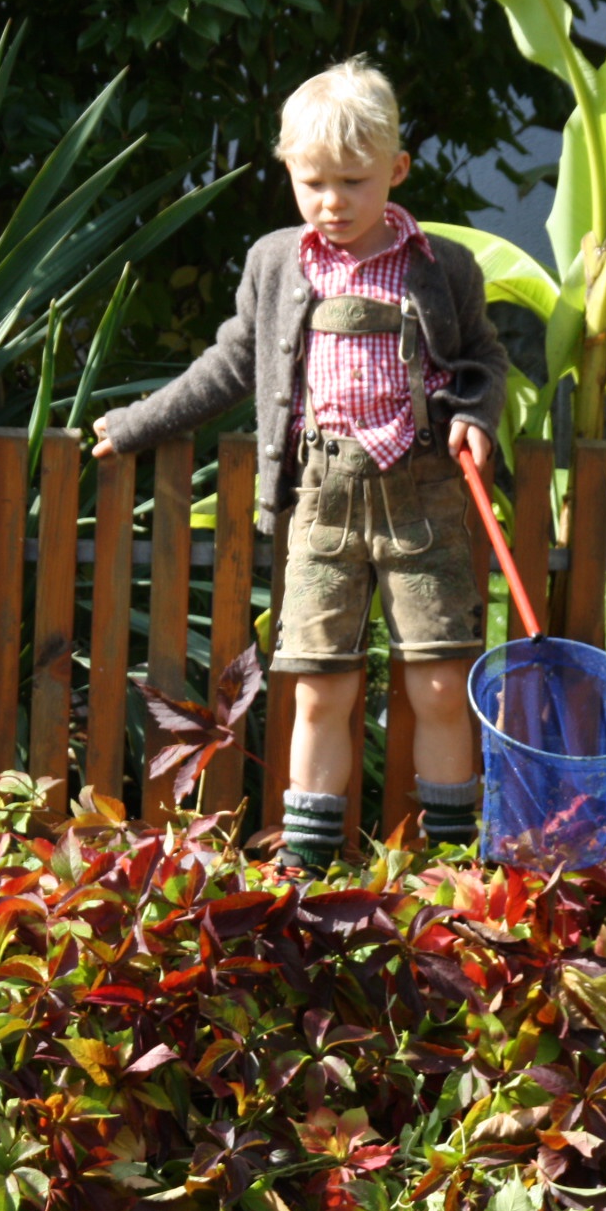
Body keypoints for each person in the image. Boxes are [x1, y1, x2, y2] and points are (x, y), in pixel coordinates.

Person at [93, 57, 508, 872]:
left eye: (354, 182)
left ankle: (453, 870)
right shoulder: (278, 262)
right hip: (321, 503)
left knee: (437, 683)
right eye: (312, 182)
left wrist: (474, 417)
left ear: (397, 170)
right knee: (319, 685)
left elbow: (484, 361)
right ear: (289, 170)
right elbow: (230, 363)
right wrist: (139, 424)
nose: (332, 202)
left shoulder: (442, 266)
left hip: (423, 503)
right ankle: (308, 868)